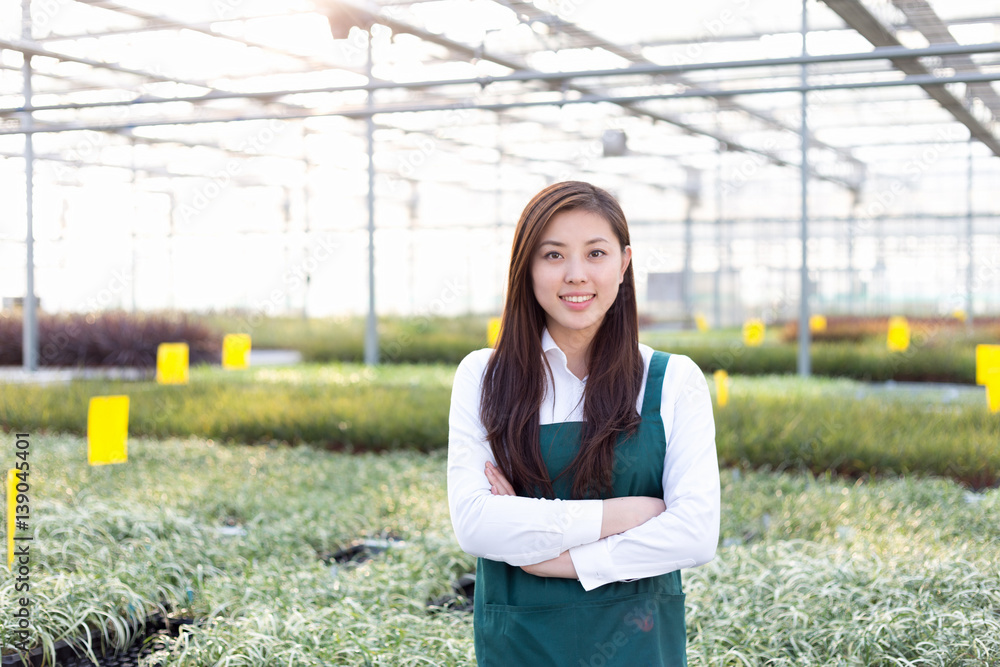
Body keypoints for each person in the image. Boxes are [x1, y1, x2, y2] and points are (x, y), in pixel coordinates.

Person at [447, 180, 720, 666]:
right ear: (526, 268)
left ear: (624, 264)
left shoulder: (673, 380)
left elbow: (695, 533)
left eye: (596, 253)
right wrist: (629, 514)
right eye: (553, 256)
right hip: (519, 644)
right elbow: (475, 525)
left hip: (637, 646)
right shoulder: (483, 376)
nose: (576, 274)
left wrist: (548, 559)